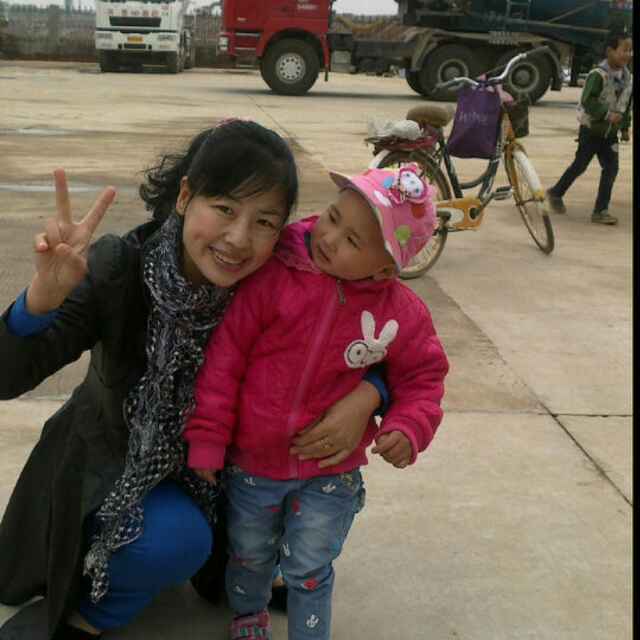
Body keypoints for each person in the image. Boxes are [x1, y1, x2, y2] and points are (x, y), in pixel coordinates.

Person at [0, 120, 389, 640]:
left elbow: (381, 336)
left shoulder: (280, 286)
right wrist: (38, 303)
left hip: (223, 474)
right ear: (185, 196)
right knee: (177, 539)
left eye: (264, 222)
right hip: (111, 465)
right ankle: (90, 615)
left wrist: (371, 393)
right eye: (224, 209)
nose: (238, 239)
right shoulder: (121, 268)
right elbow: (8, 375)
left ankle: (235, 552)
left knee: (318, 496)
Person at [183, 165, 450, 640]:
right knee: (249, 554)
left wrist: (408, 427)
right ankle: (249, 615)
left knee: (310, 566)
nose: (328, 237)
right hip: (254, 464)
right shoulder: (274, 277)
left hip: (331, 471)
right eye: (332, 217)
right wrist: (208, 436)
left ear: (385, 269)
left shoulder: (401, 314)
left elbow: (423, 378)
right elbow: (225, 359)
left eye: (353, 241)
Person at [546, 30, 633, 225]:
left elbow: (626, 105)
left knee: (611, 169)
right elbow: (588, 100)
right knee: (580, 165)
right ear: (610, 51)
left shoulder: (628, 79)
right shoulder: (598, 75)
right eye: (624, 49)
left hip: (610, 134)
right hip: (591, 130)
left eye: (630, 50)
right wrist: (607, 114)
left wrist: (625, 127)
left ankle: (600, 210)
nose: (628, 54)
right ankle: (555, 193)